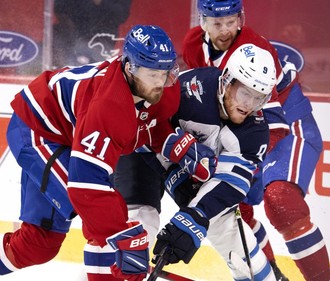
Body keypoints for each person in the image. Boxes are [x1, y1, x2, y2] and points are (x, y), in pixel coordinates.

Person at [0, 24, 216, 281]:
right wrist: (120, 234)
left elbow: (147, 123)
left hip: (71, 132)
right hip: (39, 130)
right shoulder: (108, 106)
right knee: (102, 219)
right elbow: (86, 187)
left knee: (38, 245)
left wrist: (174, 144)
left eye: (165, 72)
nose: (161, 83)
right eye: (153, 74)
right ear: (129, 68)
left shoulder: (163, 90)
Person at [182, 1, 330, 280]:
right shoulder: (193, 45)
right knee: (233, 203)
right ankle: (271, 276)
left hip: (287, 124)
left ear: (240, 17)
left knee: (281, 200)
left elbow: (273, 125)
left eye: (231, 21)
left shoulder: (256, 49)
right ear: (202, 21)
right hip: (246, 126)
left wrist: (241, 164)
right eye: (217, 23)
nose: (226, 29)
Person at [151, 43, 278, 281]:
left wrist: (196, 215)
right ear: (226, 80)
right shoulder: (189, 89)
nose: (249, 106)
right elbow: (147, 122)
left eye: (258, 98)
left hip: (204, 180)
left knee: (240, 250)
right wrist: (171, 172)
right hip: (148, 158)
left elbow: (230, 183)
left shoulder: (255, 132)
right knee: (141, 218)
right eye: (244, 93)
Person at [53, 0, 132, 67]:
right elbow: (59, 8)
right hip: (72, 37)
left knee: (96, 74)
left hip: (103, 39)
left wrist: (101, 2)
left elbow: (122, 14)